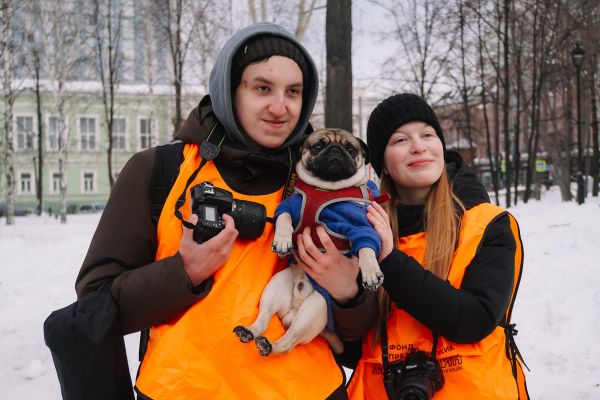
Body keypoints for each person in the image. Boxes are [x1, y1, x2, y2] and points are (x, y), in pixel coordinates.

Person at [75, 22, 374, 399]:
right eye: (262, 88)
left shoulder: (324, 183)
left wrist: (350, 294)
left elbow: (356, 343)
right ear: (229, 90)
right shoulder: (160, 169)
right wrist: (182, 273)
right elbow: (96, 303)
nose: (280, 108)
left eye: (293, 92)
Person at [345, 93, 529, 399]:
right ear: (383, 165)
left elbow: (474, 320)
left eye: (427, 135)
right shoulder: (363, 233)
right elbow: (354, 348)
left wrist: (389, 261)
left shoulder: (487, 224)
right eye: (400, 140)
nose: (418, 146)